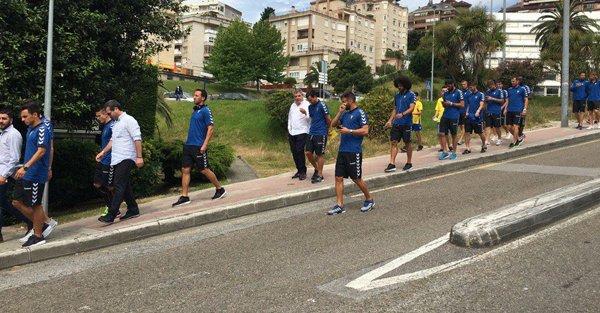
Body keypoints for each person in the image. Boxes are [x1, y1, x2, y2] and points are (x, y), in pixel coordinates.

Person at [12, 102, 57, 247]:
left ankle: (38, 236)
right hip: (29, 172)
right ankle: (41, 227)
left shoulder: (43, 129)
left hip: (36, 172)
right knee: (27, 202)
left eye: (25, 116)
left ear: (35, 115)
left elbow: (42, 150)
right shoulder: (31, 128)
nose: (23, 119)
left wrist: (25, 167)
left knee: (36, 205)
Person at [172, 89, 226, 207]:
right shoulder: (195, 110)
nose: (194, 97)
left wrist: (205, 144)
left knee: (203, 169)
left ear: (203, 98)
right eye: (194, 95)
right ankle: (185, 196)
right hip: (189, 145)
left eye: (196, 95)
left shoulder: (206, 111)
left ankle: (219, 189)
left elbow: (210, 128)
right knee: (185, 170)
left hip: (198, 146)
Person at [95, 100, 143, 223]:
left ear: (116, 109)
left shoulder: (129, 120)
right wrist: (103, 152)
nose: (109, 115)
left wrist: (139, 157)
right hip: (116, 158)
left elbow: (137, 139)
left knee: (118, 184)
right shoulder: (116, 124)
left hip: (127, 157)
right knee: (124, 185)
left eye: (109, 113)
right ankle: (133, 209)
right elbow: (112, 141)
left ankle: (111, 214)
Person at [327, 92, 374, 215]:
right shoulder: (345, 114)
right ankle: (339, 205)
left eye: (344, 101)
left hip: (354, 151)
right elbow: (332, 125)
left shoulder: (360, 113)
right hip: (342, 150)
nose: (343, 103)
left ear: (350, 100)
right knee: (338, 178)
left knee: (356, 178)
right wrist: (340, 112)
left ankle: (369, 199)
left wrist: (350, 131)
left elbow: (365, 130)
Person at [0, 108, 32, 242]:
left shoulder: (13, 134)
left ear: (11, 120)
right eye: (0, 118)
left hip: (7, 174)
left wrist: (4, 175)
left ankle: (31, 222)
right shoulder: (2, 134)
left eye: (4, 118)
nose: (1, 121)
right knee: (3, 202)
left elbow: (14, 158)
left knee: (9, 202)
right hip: (2, 172)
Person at [93, 106, 122, 217]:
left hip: (109, 160)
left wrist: (104, 153)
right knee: (97, 184)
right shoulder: (105, 126)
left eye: (99, 116)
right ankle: (111, 206)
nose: (98, 118)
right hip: (102, 159)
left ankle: (114, 209)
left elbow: (113, 142)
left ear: (106, 114)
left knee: (109, 186)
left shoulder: (112, 126)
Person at [385, 75, 416, 172]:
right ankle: (392, 164)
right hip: (396, 123)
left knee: (407, 143)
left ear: (406, 85)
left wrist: (402, 114)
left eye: (401, 85)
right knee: (393, 142)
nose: (399, 87)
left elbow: (412, 108)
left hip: (406, 123)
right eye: (398, 85)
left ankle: (409, 162)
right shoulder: (397, 95)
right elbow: (395, 109)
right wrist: (390, 120)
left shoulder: (411, 95)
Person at [305, 89, 331, 183]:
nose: (310, 102)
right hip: (311, 132)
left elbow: (328, 119)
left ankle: (320, 175)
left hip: (321, 132)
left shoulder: (322, 105)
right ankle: (317, 169)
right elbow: (313, 118)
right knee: (308, 152)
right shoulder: (310, 107)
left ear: (315, 97)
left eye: (311, 100)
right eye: (308, 100)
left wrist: (328, 129)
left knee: (319, 154)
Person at [438, 80, 464, 160]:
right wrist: (444, 103)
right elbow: (445, 105)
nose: (447, 87)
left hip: (454, 116)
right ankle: (445, 152)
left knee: (453, 135)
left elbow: (462, 105)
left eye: (449, 85)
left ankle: (454, 153)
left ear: (453, 84)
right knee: (441, 133)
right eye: (446, 86)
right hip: (445, 115)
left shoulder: (458, 92)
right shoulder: (446, 93)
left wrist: (451, 104)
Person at [287, 90, 310, 180]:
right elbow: (290, 117)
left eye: (299, 96)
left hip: (302, 131)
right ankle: (299, 170)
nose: (297, 98)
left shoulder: (306, 105)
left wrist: (305, 113)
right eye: (295, 96)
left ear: (302, 96)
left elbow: (310, 118)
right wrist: (289, 129)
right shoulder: (292, 105)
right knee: (294, 152)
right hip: (292, 132)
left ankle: (303, 172)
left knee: (299, 151)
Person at [463, 83, 486, 154]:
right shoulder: (469, 95)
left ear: (475, 86)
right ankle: (467, 148)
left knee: (480, 133)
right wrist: (466, 112)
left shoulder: (480, 94)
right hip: (469, 117)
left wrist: (478, 111)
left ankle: (484, 144)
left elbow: (482, 104)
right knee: (467, 132)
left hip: (477, 117)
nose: (470, 88)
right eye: (470, 87)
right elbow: (468, 105)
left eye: (471, 86)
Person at [505, 77, 527, 148]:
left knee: (515, 126)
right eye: (511, 81)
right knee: (508, 127)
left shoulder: (522, 89)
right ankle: (518, 138)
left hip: (518, 110)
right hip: (510, 110)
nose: (512, 82)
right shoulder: (509, 89)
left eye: (514, 81)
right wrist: (505, 108)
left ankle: (514, 142)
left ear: (517, 81)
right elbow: (507, 100)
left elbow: (526, 99)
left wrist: (524, 109)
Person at [484, 80, 505, 146]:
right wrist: (486, 100)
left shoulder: (499, 91)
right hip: (489, 111)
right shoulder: (488, 91)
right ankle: (487, 140)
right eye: (489, 86)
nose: (490, 87)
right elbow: (486, 101)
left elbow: (502, 101)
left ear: (494, 85)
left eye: (491, 86)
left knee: (497, 127)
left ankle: (499, 138)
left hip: (496, 111)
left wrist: (492, 98)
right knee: (488, 126)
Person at [517, 76, 531, 141]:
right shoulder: (515, 87)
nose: (519, 81)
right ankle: (519, 134)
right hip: (515, 107)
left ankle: (520, 134)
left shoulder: (525, 87)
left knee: (521, 122)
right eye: (518, 79)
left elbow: (529, 96)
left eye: (520, 79)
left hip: (523, 106)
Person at [457, 80, 469, 145]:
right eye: (462, 84)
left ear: (467, 84)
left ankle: (460, 139)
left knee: (464, 126)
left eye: (464, 84)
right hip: (459, 111)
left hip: (465, 111)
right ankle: (463, 138)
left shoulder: (469, 92)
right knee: (461, 126)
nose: (463, 85)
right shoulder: (460, 92)